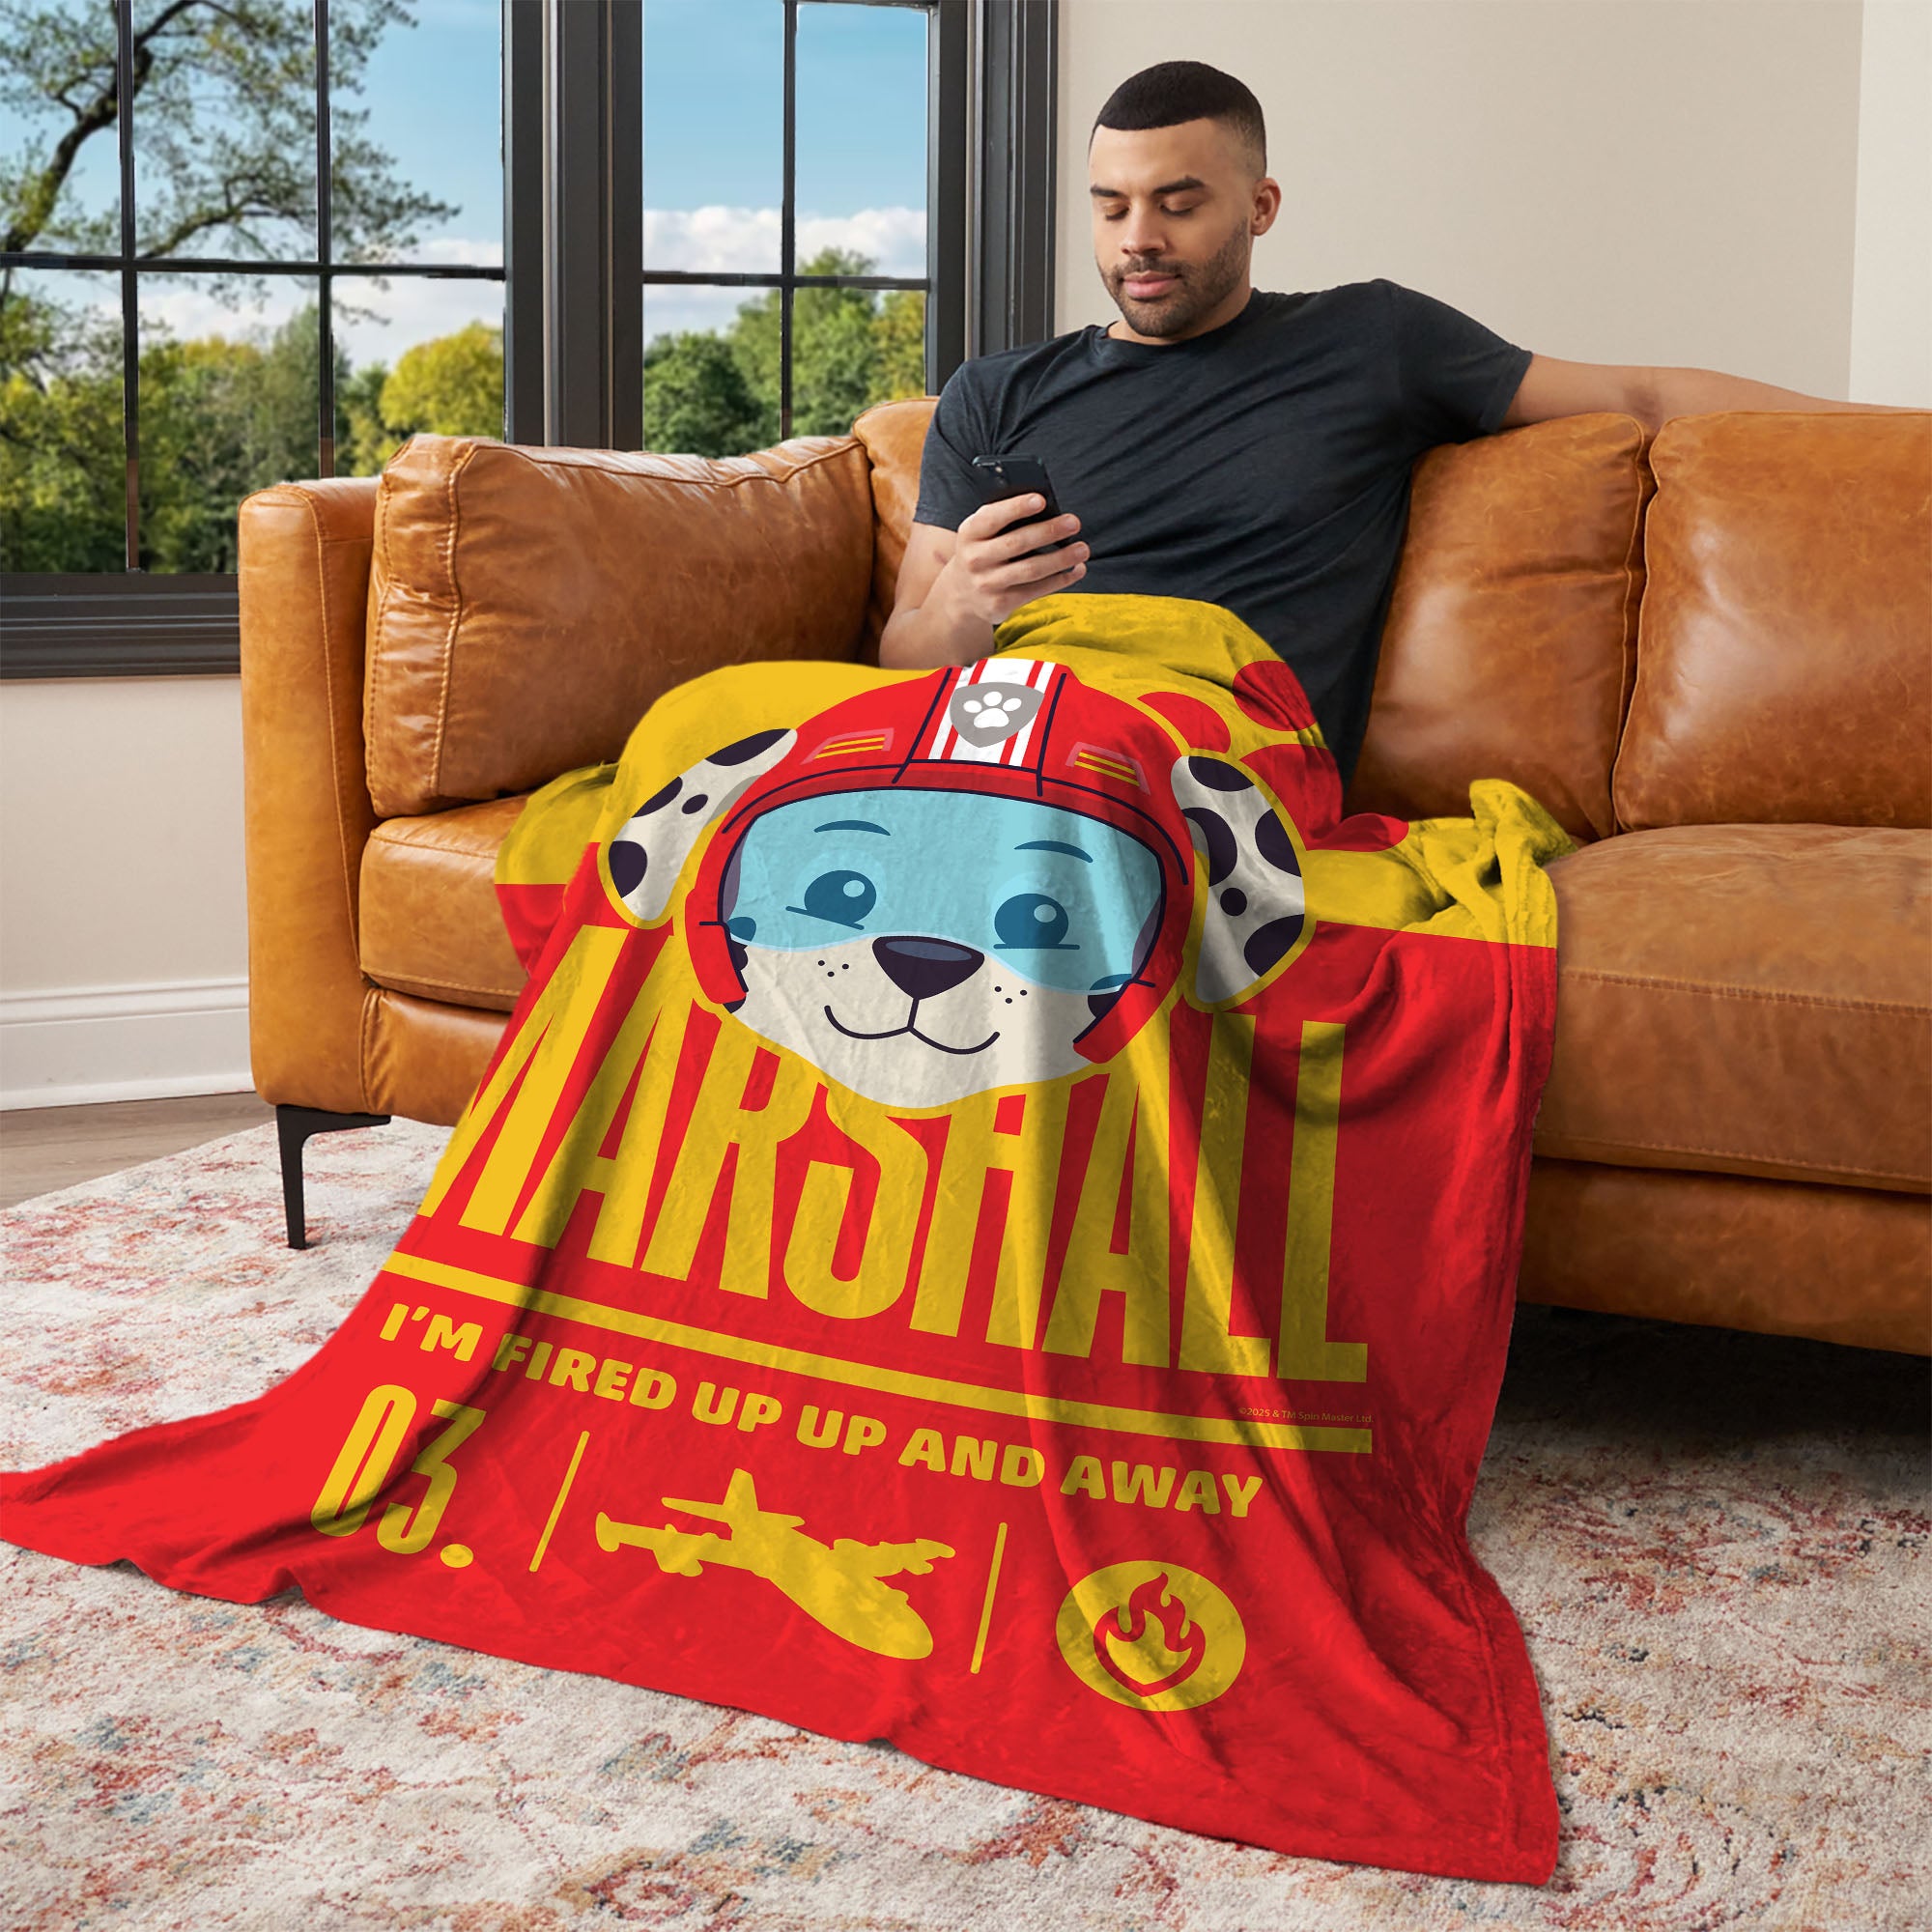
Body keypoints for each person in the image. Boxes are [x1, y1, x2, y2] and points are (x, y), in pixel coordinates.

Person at [879, 59, 1911, 792]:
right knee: (788, 765)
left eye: (1177, 205)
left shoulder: (1370, 340)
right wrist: (966, 604)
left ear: (1261, 206)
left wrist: (1894, 430)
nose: (1136, 239)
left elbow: (1641, 397)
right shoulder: (996, 392)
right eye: (1110, 208)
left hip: (1218, 763)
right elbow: (901, 664)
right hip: (1014, 729)